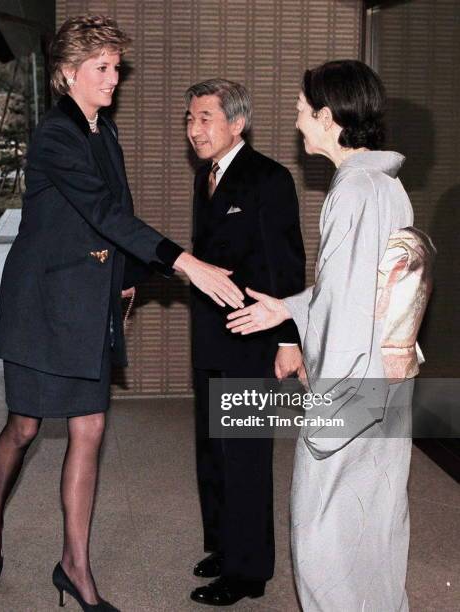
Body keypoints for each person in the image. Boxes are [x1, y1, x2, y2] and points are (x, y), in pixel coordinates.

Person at [0, 15, 244, 612]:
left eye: (117, 68)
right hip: (41, 307)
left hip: (90, 303)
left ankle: (74, 565)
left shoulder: (104, 131)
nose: (113, 79)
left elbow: (116, 215)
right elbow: (104, 213)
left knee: (89, 428)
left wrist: (126, 279)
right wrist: (185, 264)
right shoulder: (55, 136)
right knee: (23, 428)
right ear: (69, 73)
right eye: (102, 68)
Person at [227, 60, 433, 611]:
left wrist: (327, 410)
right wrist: (289, 308)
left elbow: (346, 315)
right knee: (376, 525)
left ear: (328, 117)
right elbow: (358, 293)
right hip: (384, 384)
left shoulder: (353, 193)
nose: (297, 125)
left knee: (324, 537)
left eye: (301, 113)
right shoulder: (384, 185)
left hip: (351, 389)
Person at [185, 79, 305, 606]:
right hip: (211, 336)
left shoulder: (269, 179)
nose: (194, 130)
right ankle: (225, 546)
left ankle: (248, 572)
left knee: (246, 457)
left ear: (238, 124)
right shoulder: (207, 177)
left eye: (206, 118)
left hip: (254, 337)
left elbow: (286, 264)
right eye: (190, 119)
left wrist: (287, 339)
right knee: (212, 450)